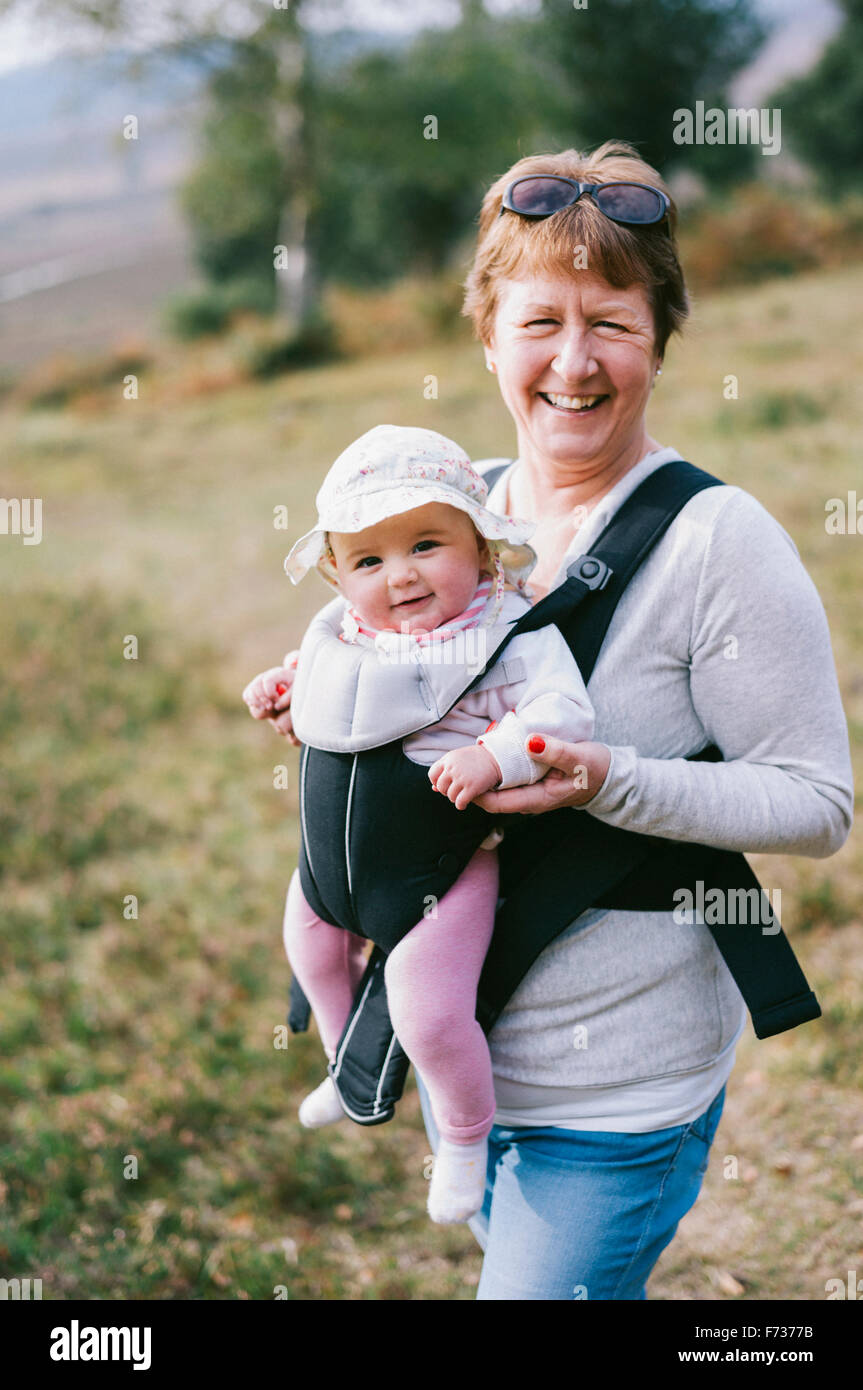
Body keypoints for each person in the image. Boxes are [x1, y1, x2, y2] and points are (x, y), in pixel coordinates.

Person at [256, 140, 854, 1299]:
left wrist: (605, 778)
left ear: (658, 341)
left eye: (611, 324)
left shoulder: (715, 542)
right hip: (469, 1070)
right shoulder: (440, 520)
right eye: (538, 323)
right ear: (485, 336)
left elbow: (817, 804)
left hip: (617, 1098)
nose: (572, 364)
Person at [243, 423, 595, 1223]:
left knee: (431, 1015)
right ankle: (346, 1065)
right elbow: (317, 676)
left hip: (440, 871)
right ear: (337, 573)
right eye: (368, 560)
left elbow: (563, 710)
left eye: (426, 545)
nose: (398, 576)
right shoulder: (350, 630)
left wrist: (498, 754)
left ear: (479, 545)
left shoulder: (503, 633)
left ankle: (465, 1139)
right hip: (331, 869)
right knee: (310, 947)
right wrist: (280, 688)